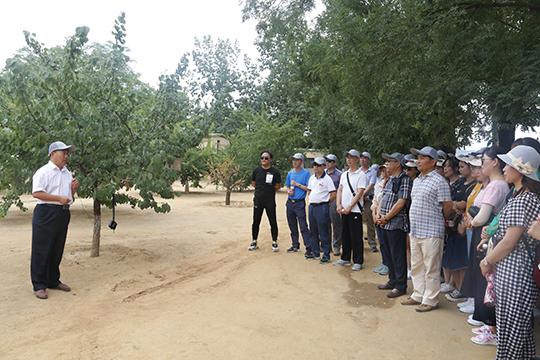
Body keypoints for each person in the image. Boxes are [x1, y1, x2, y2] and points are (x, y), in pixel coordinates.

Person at [480, 146, 540, 358]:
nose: (504, 168)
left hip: (515, 273)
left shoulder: (524, 199)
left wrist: (487, 261)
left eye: (509, 164)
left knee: (512, 331)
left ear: (521, 169)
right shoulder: (521, 195)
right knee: (515, 332)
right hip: (512, 271)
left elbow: (508, 243)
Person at [461, 146, 509, 344]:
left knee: (487, 281)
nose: (481, 165)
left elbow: (482, 216)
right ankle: (488, 324)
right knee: (483, 280)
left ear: (495, 162)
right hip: (483, 235)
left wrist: (471, 221)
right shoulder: (493, 185)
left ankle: (492, 327)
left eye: (484, 160)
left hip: (487, 237)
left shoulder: (497, 186)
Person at [401, 146, 452, 312]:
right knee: (417, 265)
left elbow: (448, 207)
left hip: (431, 231)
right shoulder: (417, 180)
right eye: (418, 158)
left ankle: (430, 300)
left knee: (431, 267)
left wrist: (437, 219)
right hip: (416, 230)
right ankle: (418, 294)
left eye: (422, 158)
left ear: (433, 162)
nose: (419, 161)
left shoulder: (439, 181)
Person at [31, 141, 79, 299]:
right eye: (63, 153)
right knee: (41, 249)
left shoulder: (66, 173)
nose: (66, 156)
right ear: (52, 154)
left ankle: (53, 280)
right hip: (46, 213)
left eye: (67, 153)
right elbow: (37, 193)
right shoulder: (43, 172)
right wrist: (59, 198)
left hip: (63, 213)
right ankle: (39, 284)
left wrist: (72, 190)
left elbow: (69, 197)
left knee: (57, 248)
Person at [376, 153, 412, 298]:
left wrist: (386, 217)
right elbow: (383, 198)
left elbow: (401, 202)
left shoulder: (405, 180)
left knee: (398, 255)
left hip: (396, 224)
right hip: (384, 223)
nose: (386, 165)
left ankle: (400, 286)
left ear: (397, 164)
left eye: (389, 162)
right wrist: (379, 216)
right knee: (389, 254)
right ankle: (392, 280)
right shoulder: (390, 179)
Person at [334, 149, 367, 271]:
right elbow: (340, 190)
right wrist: (338, 204)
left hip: (355, 210)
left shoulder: (361, 175)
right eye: (347, 157)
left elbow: (359, 193)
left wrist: (349, 206)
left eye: (352, 157)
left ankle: (358, 260)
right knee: (345, 235)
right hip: (344, 210)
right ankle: (345, 258)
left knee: (356, 236)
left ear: (358, 159)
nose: (349, 159)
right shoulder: (344, 174)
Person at [306, 157, 337, 264]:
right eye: (315, 165)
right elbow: (309, 190)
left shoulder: (327, 179)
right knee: (313, 230)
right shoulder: (312, 178)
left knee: (323, 231)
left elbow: (333, 194)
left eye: (319, 165)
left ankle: (326, 254)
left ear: (324, 166)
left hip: (322, 207)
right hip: (312, 207)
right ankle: (315, 252)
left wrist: (325, 202)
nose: (316, 167)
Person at [249, 151, 281, 252]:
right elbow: (254, 184)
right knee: (256, 221)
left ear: (270, 160)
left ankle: (274, 242)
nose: (263, 160)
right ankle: (254, 241)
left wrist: (270, 192)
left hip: (270, 200)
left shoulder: (275, 172)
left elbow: (278, 186)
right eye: (262, 158)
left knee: (272, 221)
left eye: (266, 158)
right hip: (258, 200)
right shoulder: (256, 170)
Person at [284, 153, 311, 255]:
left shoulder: (306, 173)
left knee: (303, 226)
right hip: (290, 202)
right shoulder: (290, 173)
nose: (294, 162)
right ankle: (295, 244)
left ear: (302, 162)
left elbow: (308, 188)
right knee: (292, 225)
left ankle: (308, 247)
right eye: (293, 160)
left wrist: (297, 185)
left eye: (297, 160)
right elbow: (287, 186)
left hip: (300, 203)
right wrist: (288, 191)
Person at [372, 163, 389, 275]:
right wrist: (374, 214)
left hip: (387, 218)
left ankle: (389, 265)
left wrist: (381, 216)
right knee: (382, 243)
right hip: (377, 217)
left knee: (388, 243)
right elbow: (375, 201)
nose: (384, 172)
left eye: (386, 170)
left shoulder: (392, 184)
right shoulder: (379, 184)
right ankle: (384, 263)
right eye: (382, 171)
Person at [360, 152, 378, 252]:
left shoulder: (372, 172)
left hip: (368, 199)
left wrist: (362, 195)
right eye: (361, 158)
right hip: (359, 199)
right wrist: (360, 196)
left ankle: (372, 243)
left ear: (369, 160)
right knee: (357, 221)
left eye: (365, 158)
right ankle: (358, 243)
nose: (363, 160)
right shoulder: (357, 171)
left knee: (370, 222)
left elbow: (371, 185)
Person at [325, 154, 343, 256]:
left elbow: (341, 190)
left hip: (334, 202)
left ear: (335, 163)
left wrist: (339, 203)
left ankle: (337, 246)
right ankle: (327, 246)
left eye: (330, 161)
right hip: (324, 201)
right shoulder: (323, 173)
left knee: (336, 225)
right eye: (326, 160)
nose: (327, 162)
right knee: (325, 224)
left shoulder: (340, 174)